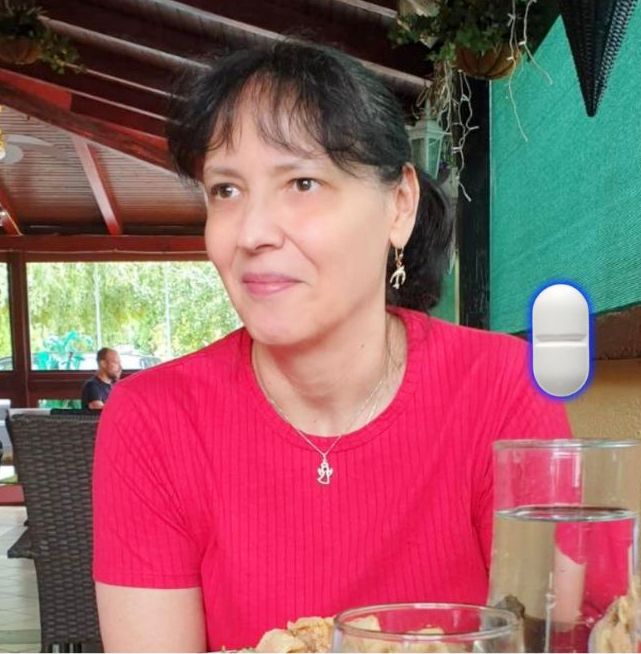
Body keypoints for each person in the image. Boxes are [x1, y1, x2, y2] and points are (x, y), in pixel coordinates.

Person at [92, 40, 572, 652]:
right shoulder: (154, 419)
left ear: (399, 204)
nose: (252, 233)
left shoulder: (504, 389)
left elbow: (555, 635)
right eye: (226, 190)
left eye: (303, 182)